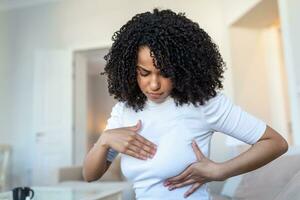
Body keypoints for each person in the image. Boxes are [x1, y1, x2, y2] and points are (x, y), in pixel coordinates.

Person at [82, 9, 288, 200]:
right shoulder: (124, 111)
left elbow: (275, 143)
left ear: (181, 69)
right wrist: (104, 140)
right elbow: (90, 175)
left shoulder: (203, 104)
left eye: (165, 73)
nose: (154, 84)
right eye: (144, 73)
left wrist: (220, 170)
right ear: (130, 70)